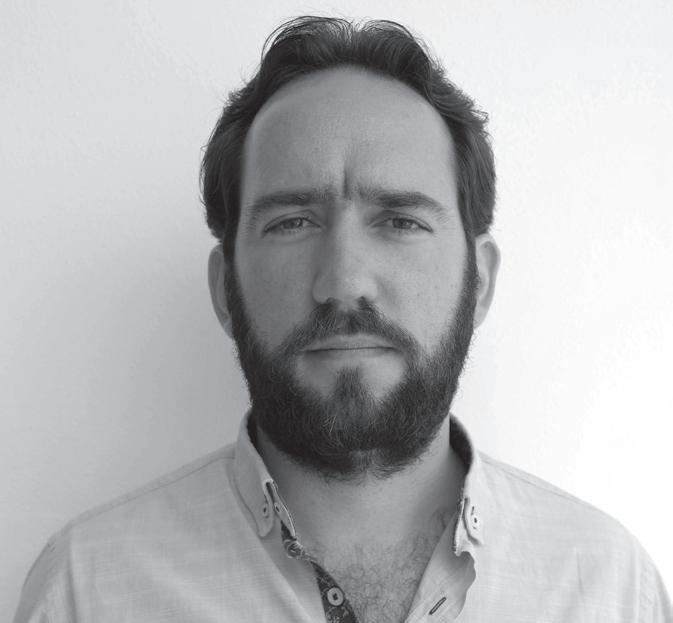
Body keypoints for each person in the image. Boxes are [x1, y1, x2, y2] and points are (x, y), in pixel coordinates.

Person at [14, 15, 672, 623]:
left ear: (479, 282)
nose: (344, 281)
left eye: (400, 221)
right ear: (224, 288)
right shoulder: (84, 591)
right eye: (292, 221)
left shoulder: (611, 588)